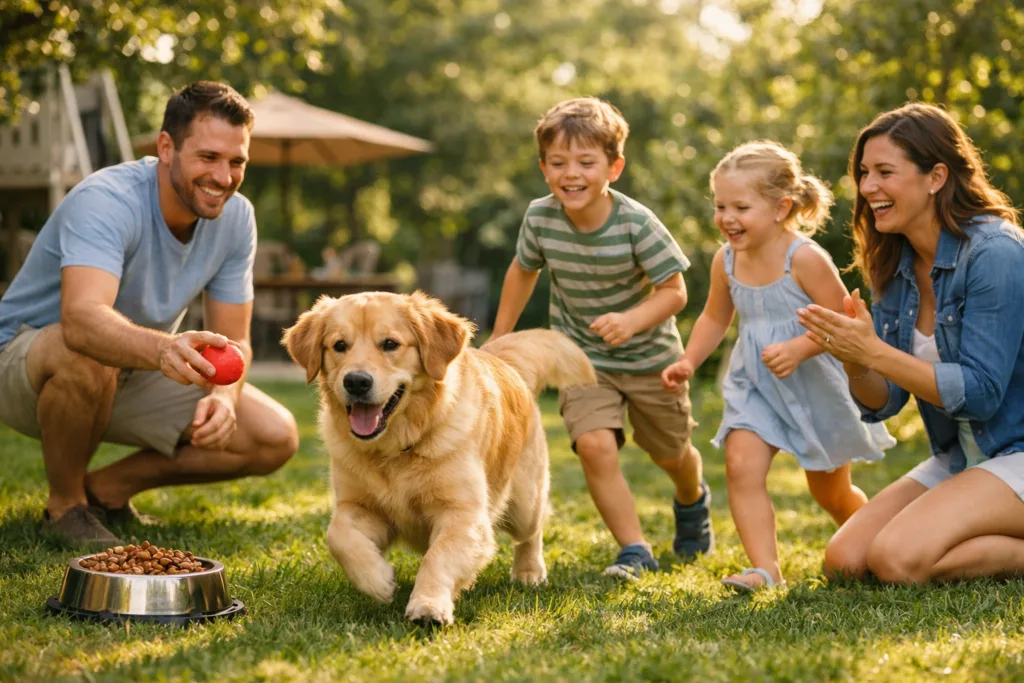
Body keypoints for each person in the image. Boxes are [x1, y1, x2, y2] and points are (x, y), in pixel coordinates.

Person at [0, 82, 299, 547]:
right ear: (166, 147)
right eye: (208, 157)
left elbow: (233, 341)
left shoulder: (236, 218)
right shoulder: (107, 199)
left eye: (236, 161)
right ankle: (65, 507)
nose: (224, 177)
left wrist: (224, 397)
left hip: (133, 368)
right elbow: (81, 321)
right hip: (27, 362)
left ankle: (106, 491)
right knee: (90, 350)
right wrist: (163, 348)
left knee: (274, 435)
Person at [797, 103, 1024, 584]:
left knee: (896, 560)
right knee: (847, 562)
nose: (867, 188)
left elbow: (981, 393)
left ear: (936, 176)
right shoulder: (896, 260)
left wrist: (875, 352)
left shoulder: (995, 253)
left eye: (884, 172)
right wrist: (854, 358)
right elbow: (886, 401)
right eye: (863, 173)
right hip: (962, 456)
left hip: (1016, 451)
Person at [490, 97, 712, 580]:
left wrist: (632, 320)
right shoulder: (540, 218)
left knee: (670, 454)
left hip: (651, 359)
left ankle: (692, 499)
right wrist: (499, 338)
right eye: (558, 162)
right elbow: (522, 271)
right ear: (544, 168)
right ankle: (634, 549)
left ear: (614, 167)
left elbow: (675, 292)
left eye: (586, 162)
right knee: (594, 445)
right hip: (581, 360)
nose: (572, 173)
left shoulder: (636, 223)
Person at [661, 141, 894, 591]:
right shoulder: (725, 260)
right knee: (740, 466)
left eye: (741, 207)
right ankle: (765, 570)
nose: (727, 218)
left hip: (814, 384)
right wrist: (688, 360)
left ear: (781, 207)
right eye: (720, 205)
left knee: (830, 492)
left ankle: (872, 535)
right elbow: (715, 316)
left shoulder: (803, 258)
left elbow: (843, 321)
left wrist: (800, 348)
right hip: (756, 382)